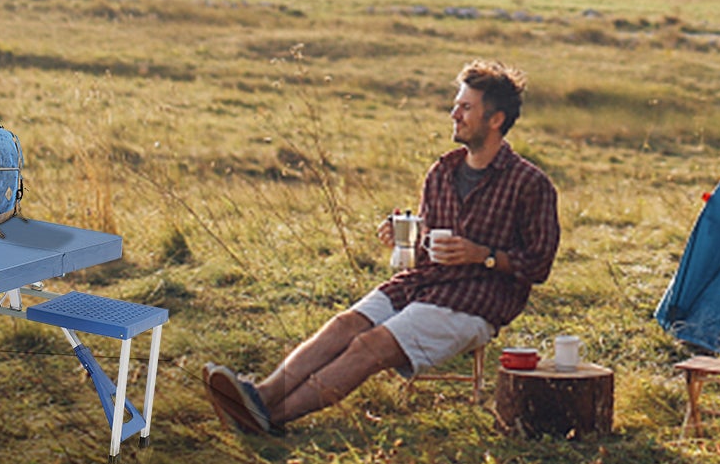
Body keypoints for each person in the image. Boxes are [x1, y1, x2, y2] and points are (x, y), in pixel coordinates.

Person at [203, 59, 559, 435]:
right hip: (421, 283)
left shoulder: (529, 184)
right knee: (345, 325)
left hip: (474, 300)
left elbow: (539, 265)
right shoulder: (442, 172)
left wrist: (483, 256)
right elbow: (427, 244)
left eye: (466, 107)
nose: (454, 114)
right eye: (457, 104)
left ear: (495, 119)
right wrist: (402, 235)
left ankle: (269, 420)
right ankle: (259, 395)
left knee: (369, 346)